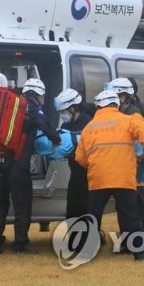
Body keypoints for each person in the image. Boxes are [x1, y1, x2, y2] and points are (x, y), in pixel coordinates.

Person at [75, 89, 144, 261]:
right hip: (124, 179)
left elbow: (80, 158)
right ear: (116, 104)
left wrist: (95, 165)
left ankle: (87, 252)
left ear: (99, 106)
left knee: (93, 217)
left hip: (98, 179)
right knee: (131, 216)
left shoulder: (89, 127)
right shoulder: (128, 120)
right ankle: (140, 253)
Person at [0, 78, 61, 255]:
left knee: (0, 203)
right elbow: (46, 127)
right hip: (18, 166)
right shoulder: (32, 109)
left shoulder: (10, 104)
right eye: (42, 96)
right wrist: (57, 140)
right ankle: (20, 245)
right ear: (37, 95)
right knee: (22, 205)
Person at [105, 77, 144, 243]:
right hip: (129, 166)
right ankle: (132, 241)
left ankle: (140, 240)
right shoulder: (128, 112)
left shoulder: (135, 115)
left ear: (123, 97)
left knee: (135, 205)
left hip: (135, 166)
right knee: (129, 205)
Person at [53, 88, 93, 219]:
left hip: (89, 175)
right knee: (72, 208)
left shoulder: (89, 123)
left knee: (86, 209)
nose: (62, 115)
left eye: (63, 111)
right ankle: (73, 237)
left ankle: (88, 236)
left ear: (74, 108)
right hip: (75, 174)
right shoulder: (65, 125)